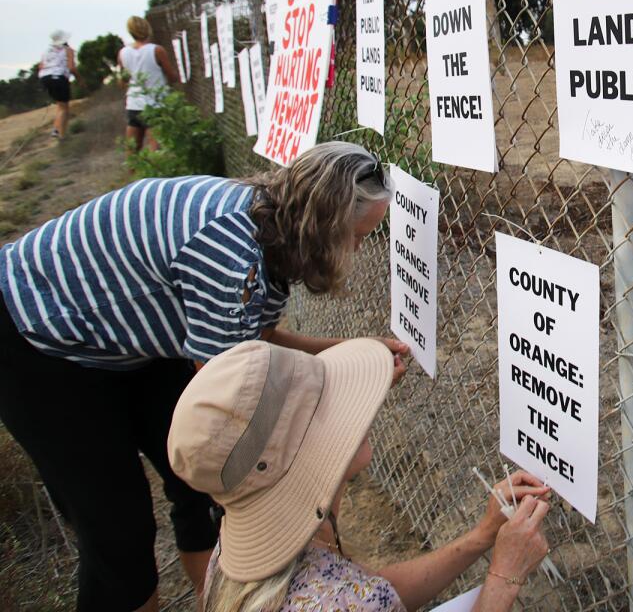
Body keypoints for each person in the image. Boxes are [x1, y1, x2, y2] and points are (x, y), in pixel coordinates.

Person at [0, 142, 409, 612]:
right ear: (324, 224)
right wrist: (353, 379)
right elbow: (232, 401)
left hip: (126, 333)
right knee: (119, 529)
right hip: (37, 335)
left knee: (200, 490)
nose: (359, 248)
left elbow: (257, 337)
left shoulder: (273, 220)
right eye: (358, 236)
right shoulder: (233, 256)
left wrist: (353, 354)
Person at [170, 339, 553, 612]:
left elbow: (372, 590)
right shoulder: (343, 604)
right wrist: (505, 577)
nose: (359, 409)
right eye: (335, 404)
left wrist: (482, 537)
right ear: (308, 455)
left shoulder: (233, 561)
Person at [118, 15, 180, 151]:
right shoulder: (157, 50)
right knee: (155, 148)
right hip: (156, 103)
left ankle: (134, 172)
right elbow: (171, 76)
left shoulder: (123, 53)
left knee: (133, 149)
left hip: (134, 104)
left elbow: (123, 81)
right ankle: (157, 171)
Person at [38, 29, 75, 138]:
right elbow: (71, 67)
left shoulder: (46, 51)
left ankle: (58, 130)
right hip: (59, 77)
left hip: (45, 78)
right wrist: (80, 79)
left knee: (60, 105)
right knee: (64, 107)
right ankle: (60, 132)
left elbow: (40, 66)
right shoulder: (68, 50)